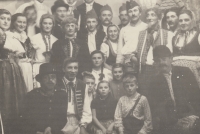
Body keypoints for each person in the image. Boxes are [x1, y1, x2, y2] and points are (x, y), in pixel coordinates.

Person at [149, 45, 200, 134]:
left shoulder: (185, 72)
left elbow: (196, 96)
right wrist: (175, 121)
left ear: (171, 58)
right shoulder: (153, 82)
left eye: (164, 59)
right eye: (158, 60)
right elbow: (157, 108)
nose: (161, 62)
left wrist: (194, 116)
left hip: (191, 116)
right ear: (154, 63)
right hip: (170, 122)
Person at [20, 63, 67, 134]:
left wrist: (51, 128)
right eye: (46, 77)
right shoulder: (31, 96)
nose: (50, 80)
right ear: (40, 80)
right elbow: (24, 120)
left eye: (53, 77)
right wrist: (35, 131)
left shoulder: (61, 95)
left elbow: (62, 119)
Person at [0, 9, 27, 134]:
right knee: (4, 99)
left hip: (13, 70)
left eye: (8, 19)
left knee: (15, 99)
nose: (5, 21)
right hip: (2, 69)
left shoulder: (11, 35)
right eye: (2, 18)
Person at [136, 8, 174, 94]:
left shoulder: (167, 34)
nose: (149, 18)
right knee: (145, 95)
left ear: (158, 17)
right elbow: (135, 52)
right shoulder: (141, 34)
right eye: (148, 15)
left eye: (153, 15)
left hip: (160, 71)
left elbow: (170, 54)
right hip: (144, 70)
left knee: (159, 95)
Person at [56, 58, 92, 134]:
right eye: (69, 67)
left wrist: (82, 126)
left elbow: (86, 108)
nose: (73, 71)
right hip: (60, 122)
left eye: (75, 68)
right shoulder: (57, 84)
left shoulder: (82, 85)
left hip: (77, 122)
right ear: (63, 69)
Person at [7, 13, 33, 92]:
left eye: (24, 22)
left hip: (27, 68)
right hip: (16, 68)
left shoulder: (26, 37)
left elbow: (29, 53)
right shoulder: (9, 36)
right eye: (19, 22)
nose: (22, 25)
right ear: (13, 22)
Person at [30, 14, 58, 88]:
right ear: (41, 24)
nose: (47, 26)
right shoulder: (34, 38)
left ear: (53, 25)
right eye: (45, 23)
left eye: (50, 23)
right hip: (37, 68)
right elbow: (30, 57)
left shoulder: (56, 40)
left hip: (51, 70)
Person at [77, 9, 105, 74]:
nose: (91, 24)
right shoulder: (80, 35)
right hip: (85, 64)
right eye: (89, 22)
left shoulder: (102, 34)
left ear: (97, 23)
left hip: (99, 64)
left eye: (93, 22)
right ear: (85, 23)